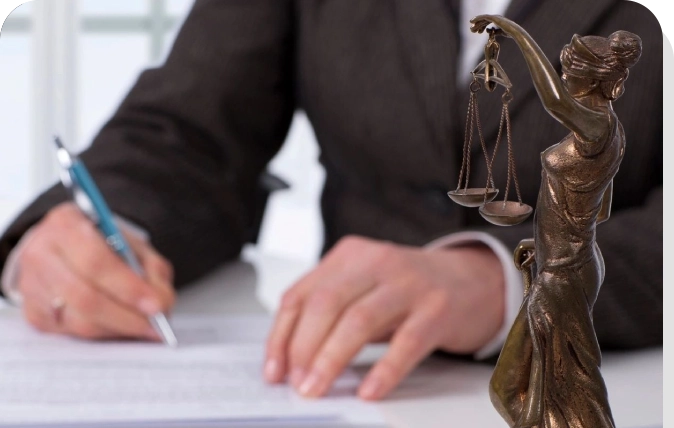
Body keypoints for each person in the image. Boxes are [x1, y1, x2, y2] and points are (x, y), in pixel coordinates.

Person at [0, 0, 662, 401]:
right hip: (340, 421)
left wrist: (506, 279)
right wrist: (95, 226)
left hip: (621, 412)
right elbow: (188, 130)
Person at [474, 15, 640, 428]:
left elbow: (550, 100)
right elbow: (600, 210)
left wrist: (511, 31)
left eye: (569, 67)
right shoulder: (605, 130)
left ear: (583, 77)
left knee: (509, 391)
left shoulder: (592, 124)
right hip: (569, 264)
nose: (563, 76)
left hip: (563, 277)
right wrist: (545, 243)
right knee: (558, 389)